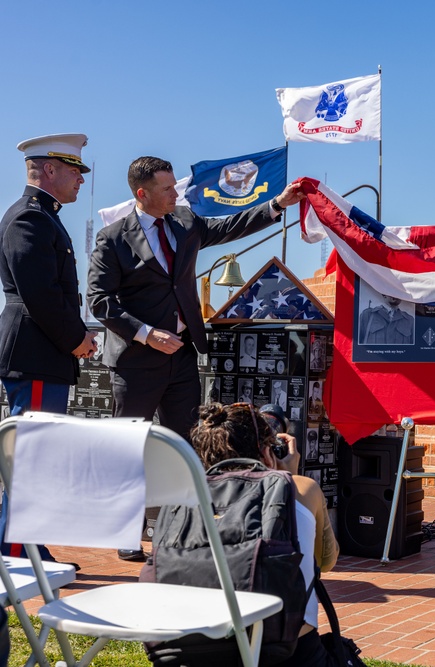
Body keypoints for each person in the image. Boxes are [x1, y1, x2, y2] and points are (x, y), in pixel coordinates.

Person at [88, 155, 304, 561]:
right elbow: (99, 301)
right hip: (136, 361)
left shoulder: (186, 224)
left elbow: (229, 227)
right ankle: (124, 531)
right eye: (167, 189)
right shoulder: (113, 239)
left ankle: (182, 532)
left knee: (187, 446)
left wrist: (277, 205)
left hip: (183, 358)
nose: (176, 193)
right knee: (128, 447)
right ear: (142, 193)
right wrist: (146, 334)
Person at [0, 133, 98, 563]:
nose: (80, 179)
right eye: (74, 170)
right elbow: (39, 294)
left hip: (41, 352)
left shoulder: (44, 217)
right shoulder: (30, 218)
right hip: (36, 353)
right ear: (49, 170)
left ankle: (26, 546)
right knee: (32, 461)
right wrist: (77, 338)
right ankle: (17, 557)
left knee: (35, 459)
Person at [190, 403, 338, 666]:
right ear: (267, 452)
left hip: (200, 645)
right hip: (287, 648)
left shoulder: (188, 493)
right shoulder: (303, 488)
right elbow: (326, 561)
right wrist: (286, 477)